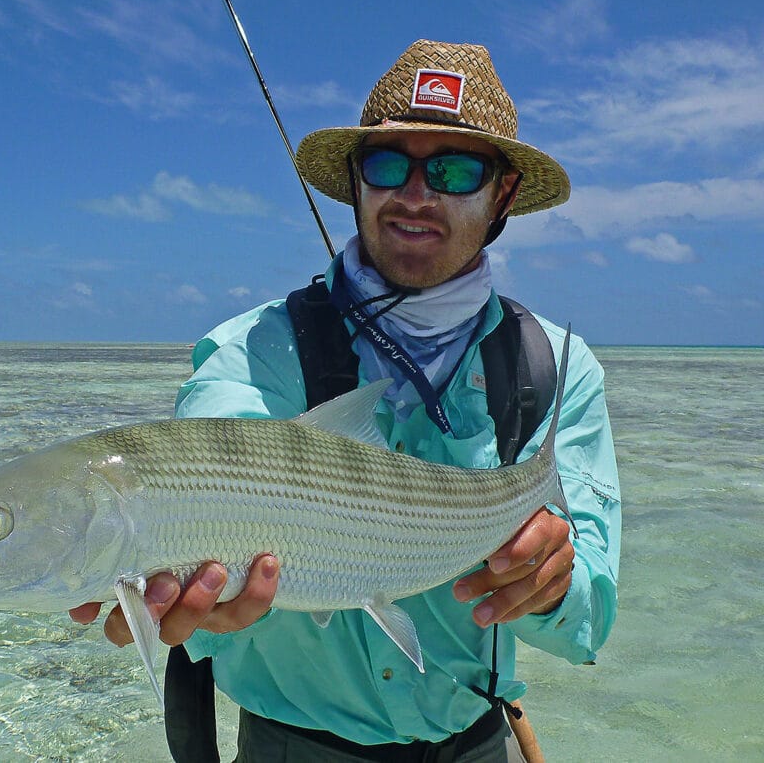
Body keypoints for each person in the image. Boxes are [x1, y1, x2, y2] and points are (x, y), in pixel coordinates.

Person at [70, 40, 621, 762]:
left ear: (504, 196)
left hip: (477, 743)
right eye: (389, 164)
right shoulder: (252, 350)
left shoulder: (554, 365)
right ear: (356, 181)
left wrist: (550, 587)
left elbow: (590, 623)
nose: (417, 195)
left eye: (457, 169)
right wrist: (182, 593)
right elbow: (207, 477)